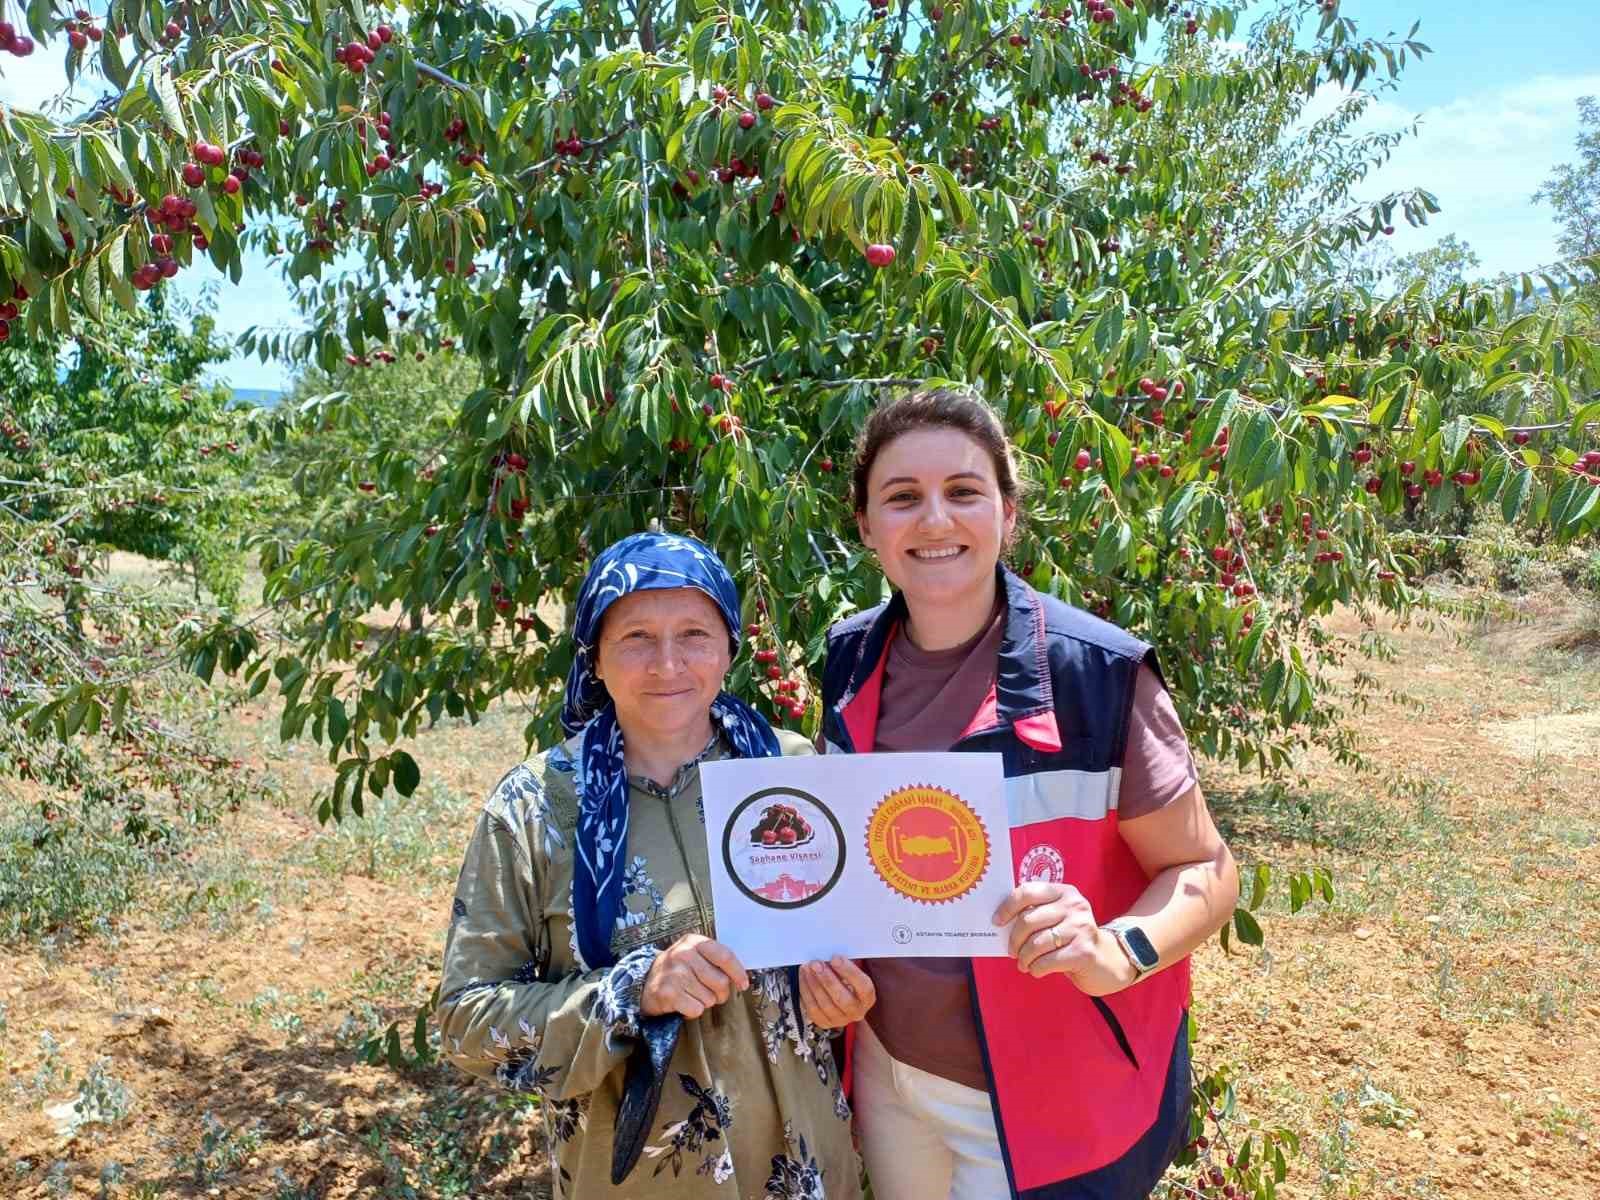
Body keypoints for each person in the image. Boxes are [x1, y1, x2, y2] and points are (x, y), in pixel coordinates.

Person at [820, 388, 1240, 1200]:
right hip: (887, 1073)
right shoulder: (848, 659)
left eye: (965, 492)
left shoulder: (1097, 674)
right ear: (869, 528)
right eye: (902, 498)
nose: (935, 519)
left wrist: (1118, 951)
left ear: (1007, 515)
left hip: (1046, 1093)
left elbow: (1206, 870)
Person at [437, 531, 871, 1200]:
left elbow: (849, 943)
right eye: (636, 637)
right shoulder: (534, 808)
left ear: (729, 648)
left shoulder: (790, 774)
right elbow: (467, 1024)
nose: (667, 664)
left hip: (804, 1169)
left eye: (694, 634)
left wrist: (842, 994)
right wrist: (631, 991)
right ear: (597, 659)